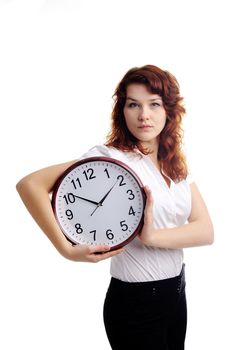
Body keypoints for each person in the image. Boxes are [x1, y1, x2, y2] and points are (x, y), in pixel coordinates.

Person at [16, 64, 214, 350]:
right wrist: (67, 249)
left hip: (177, 295)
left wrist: (151, 237)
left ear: (169, 110)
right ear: (122, 110)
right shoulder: (109, 158)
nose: (144, 115)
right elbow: (30, 185)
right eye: (133, 104)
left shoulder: (175, 163)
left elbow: (205, 231)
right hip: (135, 303)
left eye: (154, 104)